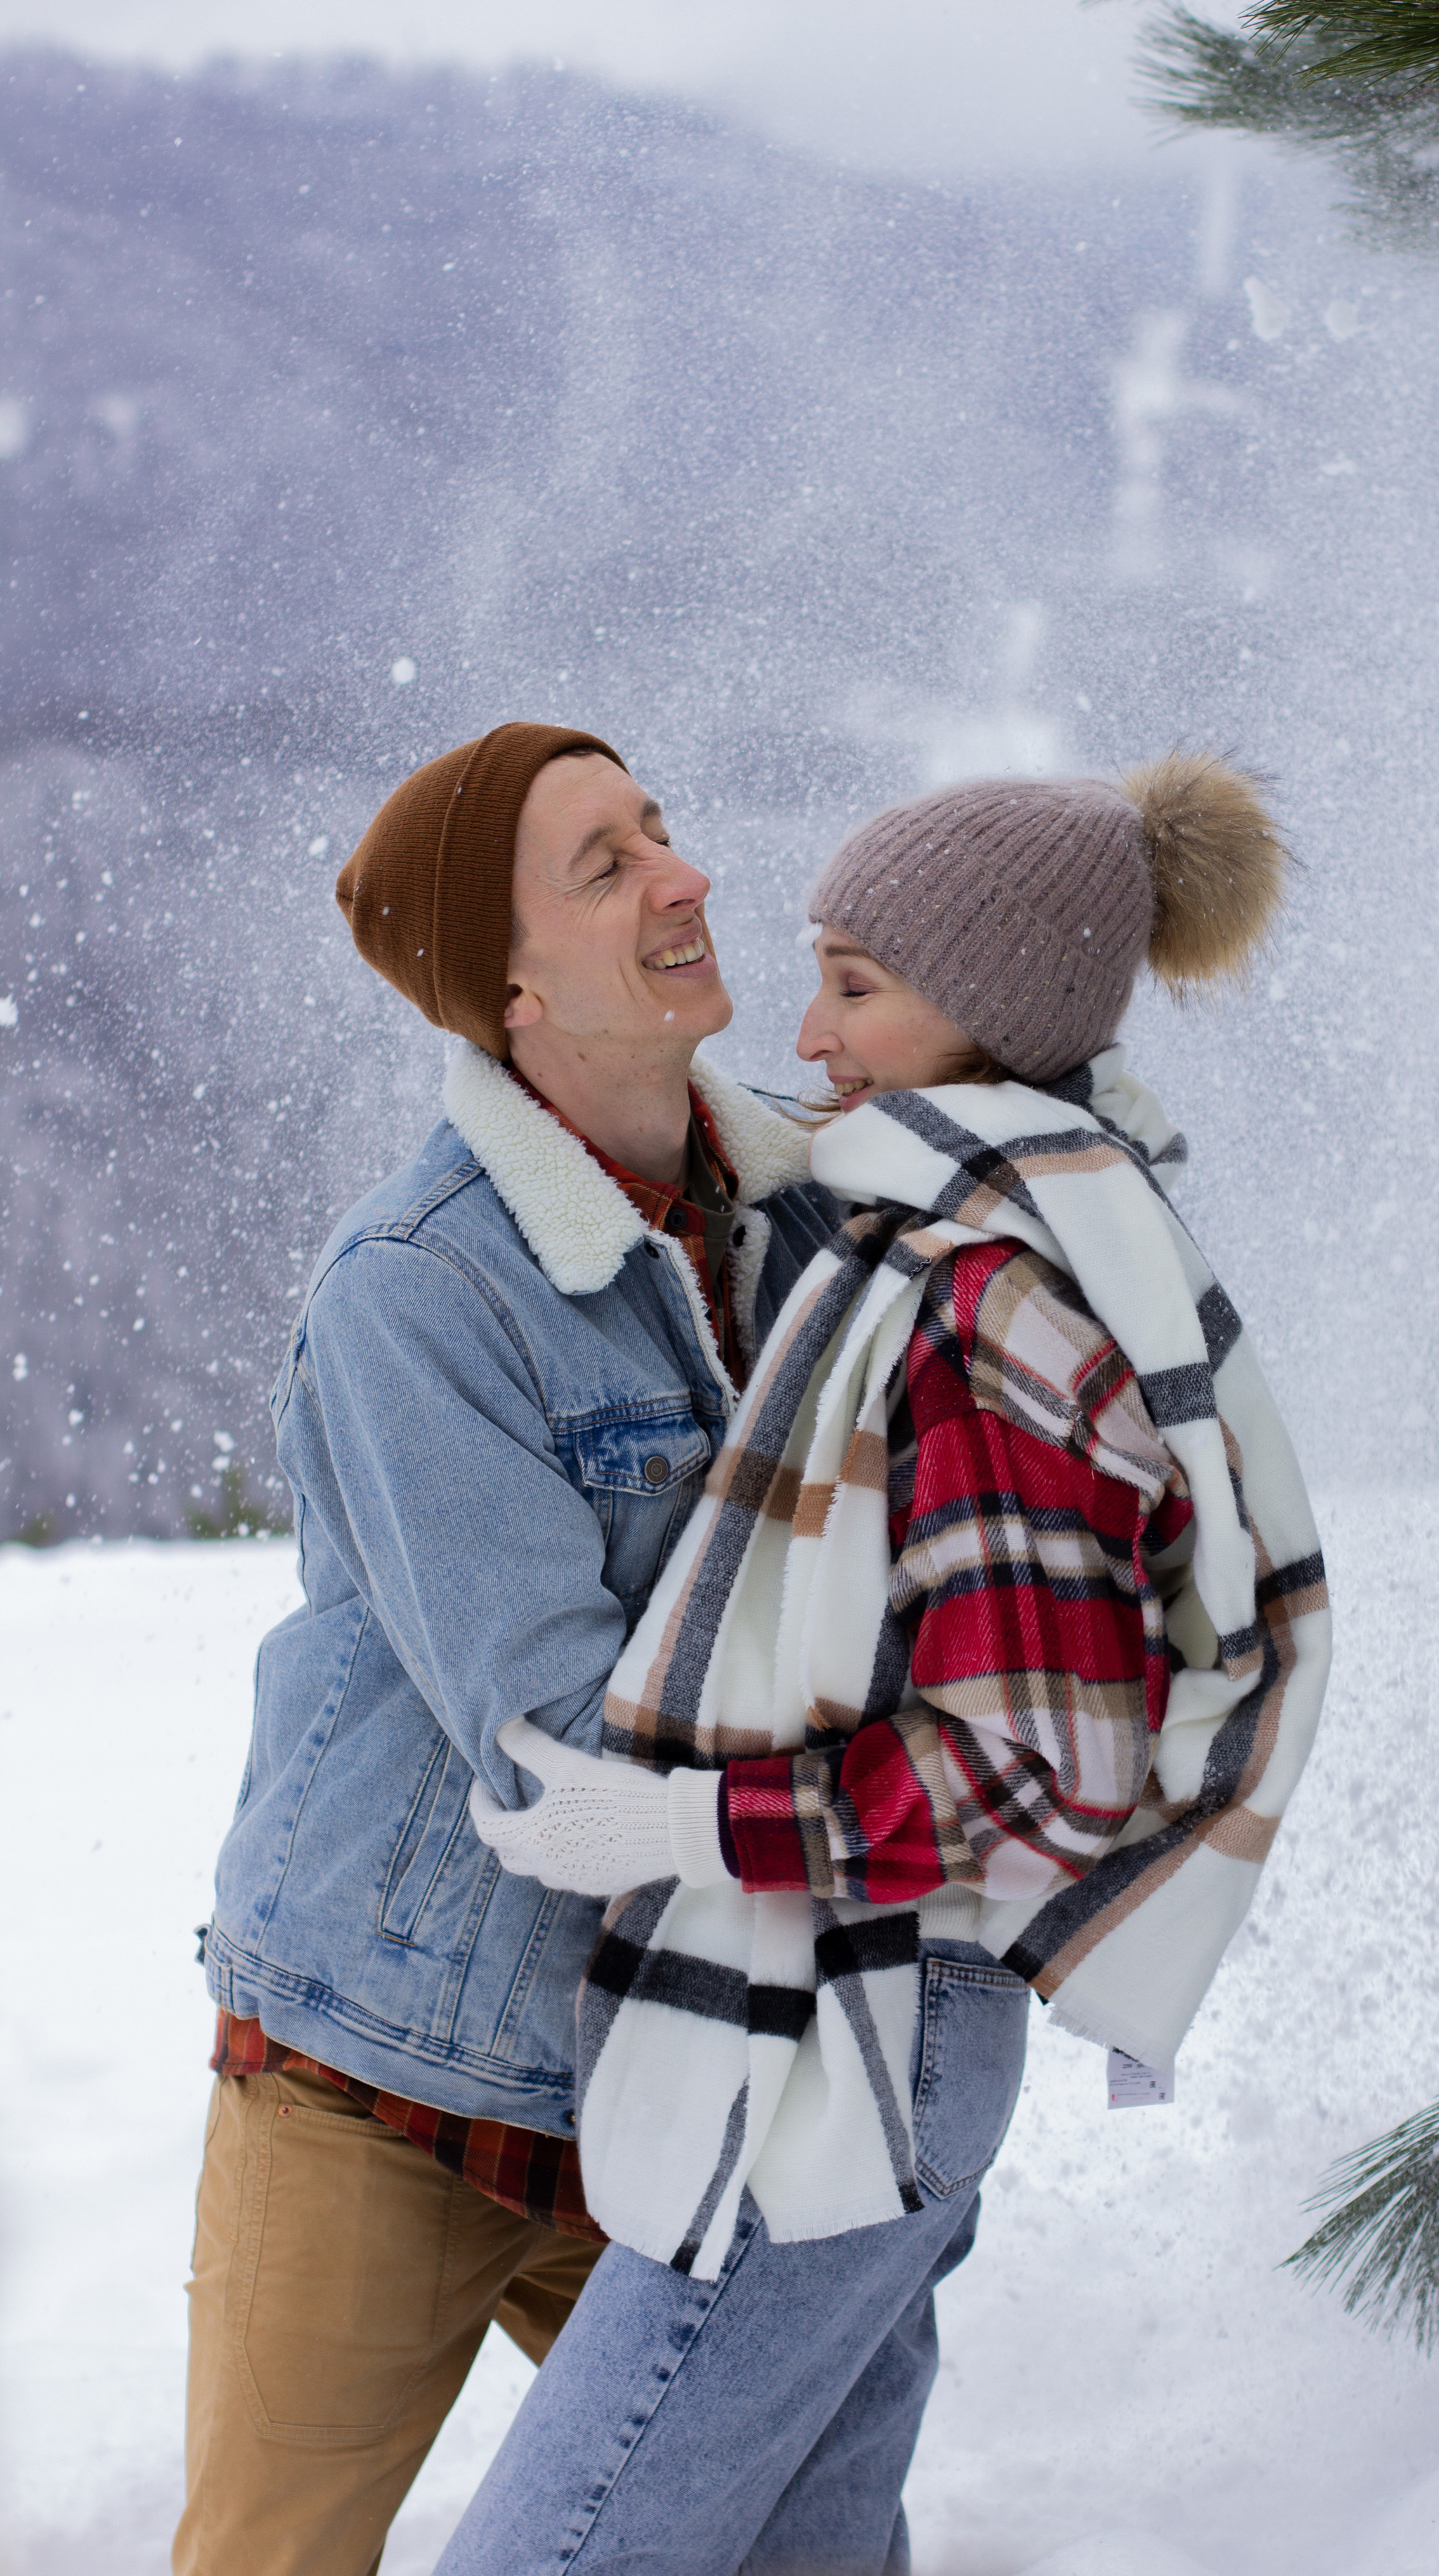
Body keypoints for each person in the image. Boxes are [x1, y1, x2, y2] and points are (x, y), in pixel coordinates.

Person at [440, 753, 1334, 2576]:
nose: (808, 1027)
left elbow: (1030, 1764)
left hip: (851, 2023)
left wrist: (692, 1830)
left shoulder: (986, 1290)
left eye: (856, 982)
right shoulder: (986, 1231)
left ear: (985, 1017)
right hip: (882, 2015)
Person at [177, 720, 841, 2576]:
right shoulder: (422, 1291)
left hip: (677, 2061)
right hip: (385, 2067)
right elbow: (562, 1746)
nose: (685, 877)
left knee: (792, 2545)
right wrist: (893, 1781)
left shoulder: (812, 1232)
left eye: (661, 829)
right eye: (605, 866)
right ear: (508, 986)